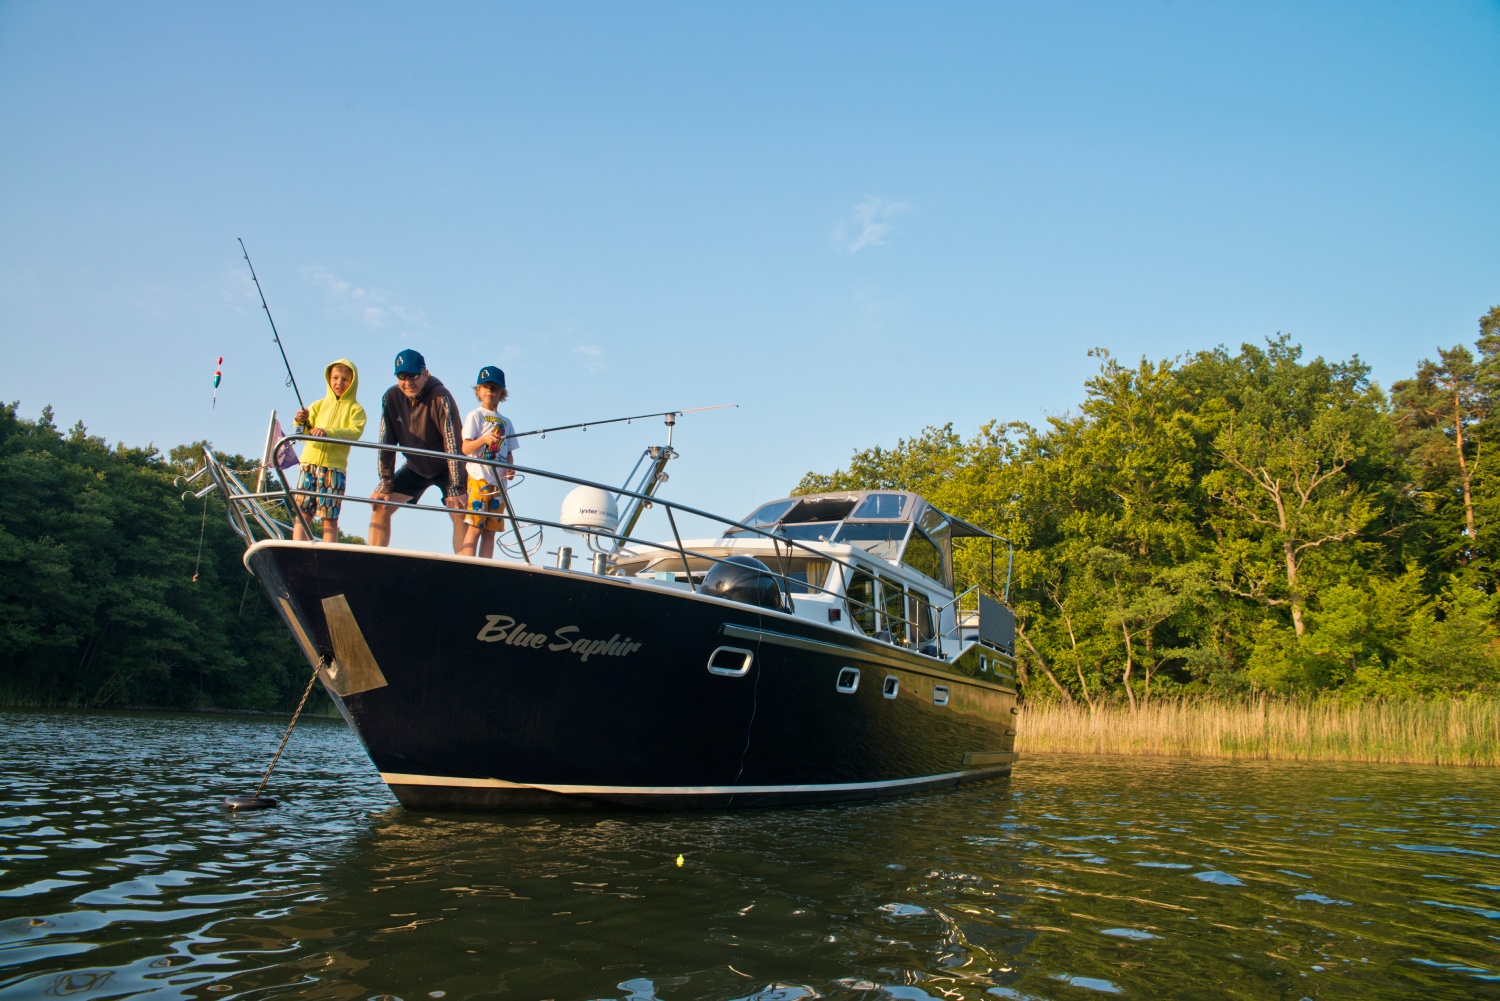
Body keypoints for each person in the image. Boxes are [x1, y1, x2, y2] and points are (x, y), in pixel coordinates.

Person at [368, 349, 468, 551]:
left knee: (460, 511)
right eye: (402, 376)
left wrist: (456, 488)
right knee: (380, 506)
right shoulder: (391, 397)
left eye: (413, 375)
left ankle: (465, 565)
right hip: (415, 467)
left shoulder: (441, 396)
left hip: (447, 467)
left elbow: (453, 443)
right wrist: (385, 483)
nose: (408, 382)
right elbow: (385, 443)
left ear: (425, 374)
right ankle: (375, 559)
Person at [292, 359, 366, 543]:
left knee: (329, 518)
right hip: (308, 464)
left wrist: (328, 432)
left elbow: (354, 432)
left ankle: (328, 554)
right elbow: (302, 434)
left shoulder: (356, 410)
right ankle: (296, 551)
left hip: (334, 468)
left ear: (352, 382)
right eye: (335, 378)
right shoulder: (317, 405)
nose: (339, 383)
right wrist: (300, 420)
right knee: (302, 513)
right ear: (329, 379)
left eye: (345, 379)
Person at [459, 366, 520, 558]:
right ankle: (467, 564)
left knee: (490, 531)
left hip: (499, 484)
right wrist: (484, 440)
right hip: (479, 478)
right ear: (478, 390)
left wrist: (510, 469)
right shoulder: (475, 415)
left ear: (502, 393)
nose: (490, 391)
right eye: (485, 387)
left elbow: (509, 453)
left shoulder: (507, 422)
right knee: (475, 526)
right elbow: (465, 448)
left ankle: (485, 565)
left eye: (494, 388)